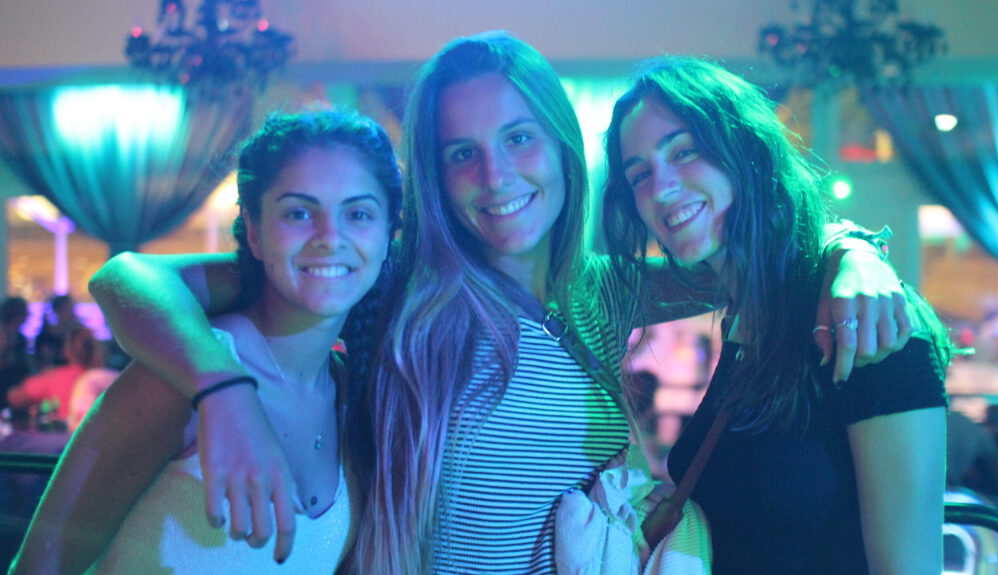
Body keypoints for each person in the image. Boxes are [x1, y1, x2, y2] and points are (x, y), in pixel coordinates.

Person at [85, 32, 909, 572]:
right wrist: (222, 391)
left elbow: (760, 261)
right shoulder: (397, 280)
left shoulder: (608, 288)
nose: (496, 176)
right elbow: (129, 279)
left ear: (559, 142)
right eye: (461, 153)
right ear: (436, 174)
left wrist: (851, 249)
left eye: (518, 137)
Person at [8, 109, 401, 573]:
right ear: (254, 232)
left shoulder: (348, 393)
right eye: (298, 212)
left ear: (388, 234)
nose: (330, 238)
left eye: (358, 214)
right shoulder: (185, 375)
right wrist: (225, 392)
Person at [601, 55, 950, 573]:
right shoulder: (747, 317)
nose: (662, 187)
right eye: (639, 175)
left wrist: (853, 250)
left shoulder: (862, 318)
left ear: (746, 149)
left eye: (685, 151)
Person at [7, 324, 102, 422]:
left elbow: (14, 397)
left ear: (67, 351)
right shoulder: (106, 380)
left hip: (66, 431)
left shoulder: (54, 378)